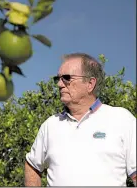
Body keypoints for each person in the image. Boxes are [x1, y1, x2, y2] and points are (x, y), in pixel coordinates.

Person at [24, 53, 136, 186]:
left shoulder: (121, 119)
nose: (60, 84)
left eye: (66, 78)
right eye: (58, 78)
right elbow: (32, 165)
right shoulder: (50, 125)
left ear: (90, 83)